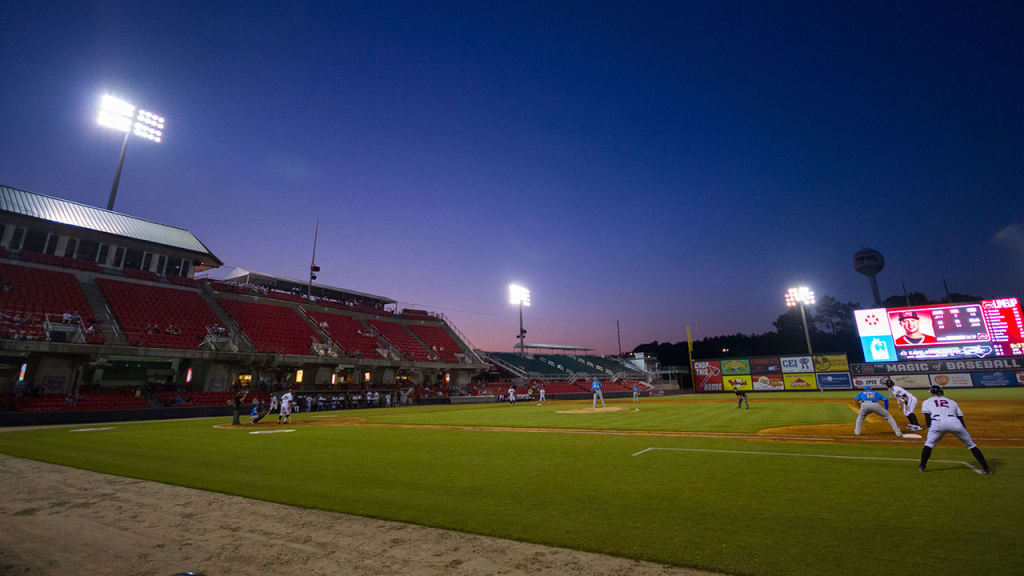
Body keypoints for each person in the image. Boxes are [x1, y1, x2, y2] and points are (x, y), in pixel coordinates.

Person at [919, 384, 992, 474]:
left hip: (937, 422)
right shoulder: (952, 401)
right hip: (955, 422)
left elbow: (927, 417)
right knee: (971, 445)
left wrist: (930, 428)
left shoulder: (927, 401)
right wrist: (963, 430)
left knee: (929, 444)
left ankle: (922, 466)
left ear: (931, 392)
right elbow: (960, 417)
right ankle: (987, 469)